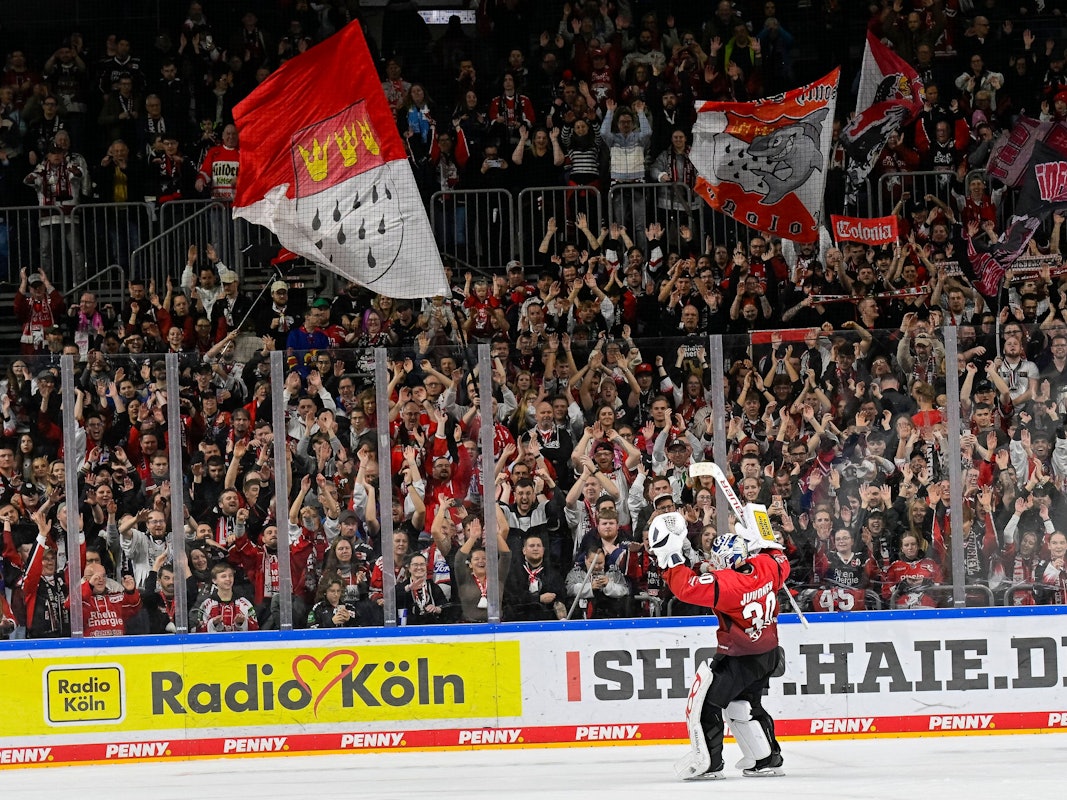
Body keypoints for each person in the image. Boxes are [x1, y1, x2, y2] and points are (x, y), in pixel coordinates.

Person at [649, 510, 789, 780]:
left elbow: (686, 587)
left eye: (717, 561)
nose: (713, 565)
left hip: (739, 657)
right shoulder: (768, 566)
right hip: (768, 653)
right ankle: (767, 758)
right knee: (745, 706)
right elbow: (779, 556)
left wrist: (670, 556)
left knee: (706, 707)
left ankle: (710, 764)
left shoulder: (726, 585)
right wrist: (763, 537)